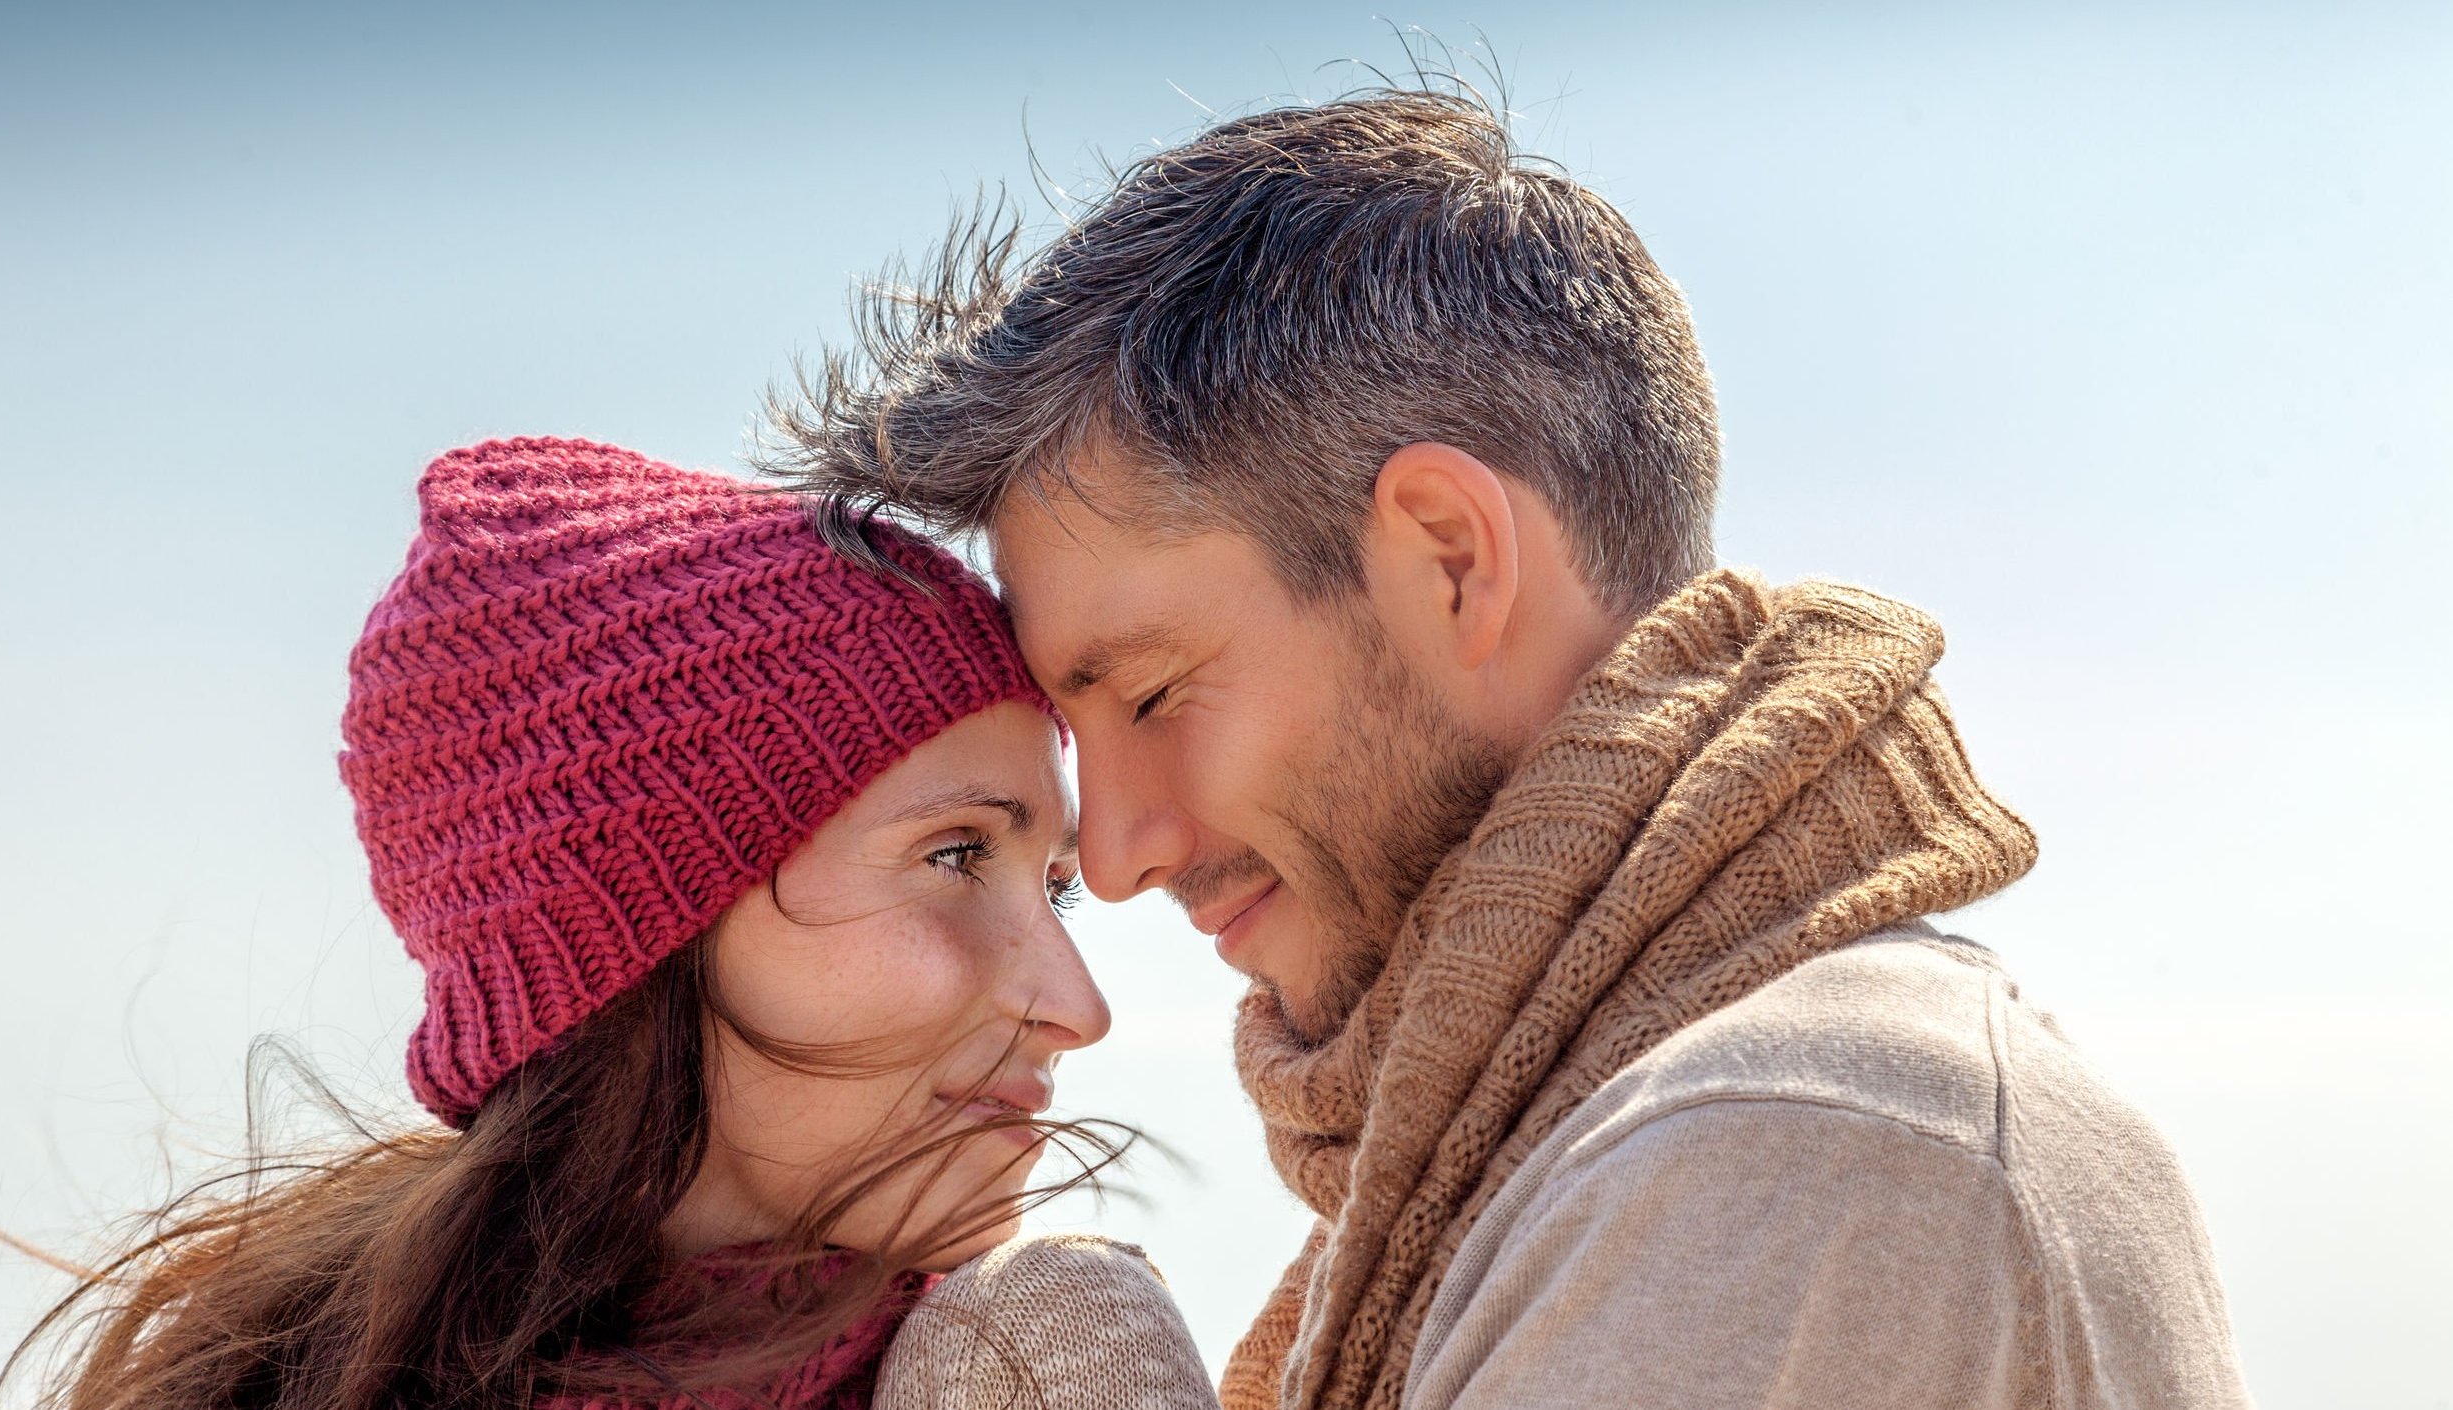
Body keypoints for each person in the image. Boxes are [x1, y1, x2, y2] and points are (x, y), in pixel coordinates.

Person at [765, 90, 2256, 1408]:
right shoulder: (1588, 1139)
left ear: (1453, 561)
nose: (1118, 849)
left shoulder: (1778, 1158)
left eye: (1150, 694)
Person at [3, 436, 1215, 1410]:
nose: (1079, 1009)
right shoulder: (1031, 1357)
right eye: (954, 855)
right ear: (637, 933)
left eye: (1052, 886)